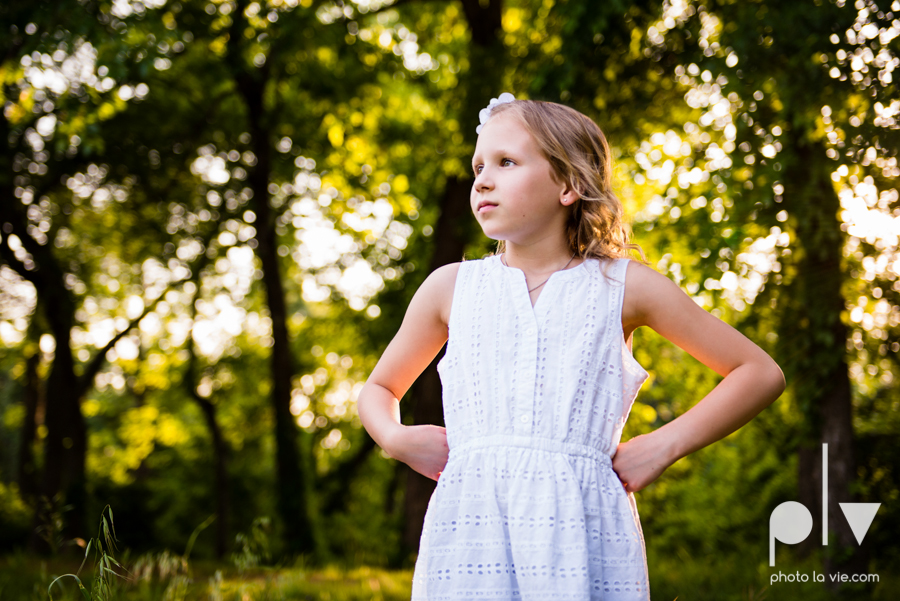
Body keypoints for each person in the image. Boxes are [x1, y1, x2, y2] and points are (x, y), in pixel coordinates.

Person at [356, 93, 786, 600]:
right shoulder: (451, 287)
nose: (482, 180)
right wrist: (396, 438)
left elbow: (758, 372)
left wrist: (661, 447)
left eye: (506, 162)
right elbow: (379, 387)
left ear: (570, 184)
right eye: (478, 166)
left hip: (580, 528)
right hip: (470, 530)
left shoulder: (624, 287)